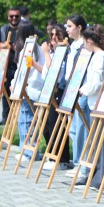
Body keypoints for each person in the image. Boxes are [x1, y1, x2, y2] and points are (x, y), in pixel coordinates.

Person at [77, 24, 104, 190]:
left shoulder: (100, 57)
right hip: (96, 102)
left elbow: (96, 82)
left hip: (98, 102)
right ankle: (97, 176)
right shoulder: (99, 56)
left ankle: (103, 178)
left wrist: (82, 90)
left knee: (101, 142)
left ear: (90, 41)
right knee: (98, 141)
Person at [40, 23, 73, 171]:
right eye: (51, 35)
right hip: (49, 92)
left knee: (56, 125)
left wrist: (46, 54)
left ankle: (62, 158)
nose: (53, 38)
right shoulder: (54, 53)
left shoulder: (65, 53)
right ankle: (53, 155)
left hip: (60, 91)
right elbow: (45, 73)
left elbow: (54, 72)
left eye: (56, 35)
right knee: (46, 126)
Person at [11, 22, 45, 162]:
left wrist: (16, 84)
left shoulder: (29, 49)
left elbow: (23, 71)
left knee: (25, 120)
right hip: (35, 89)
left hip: (28, 89)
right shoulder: (36, 48)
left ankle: (28, 152)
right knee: (30, 121)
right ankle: (30, 151)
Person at [64, 15, 92, 181]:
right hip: (71, 89)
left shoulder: (85, 45)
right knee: (74, 130)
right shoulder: (73, 45)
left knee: (82, 130)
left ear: (79, 27)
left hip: (81, 90)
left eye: (70, 26)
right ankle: (77, 163)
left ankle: (82, 165)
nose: (67, 29)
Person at [0, 7, 22, 125]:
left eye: (16, 16)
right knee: (5, 92)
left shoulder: (23, 29)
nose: (14, 18)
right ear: (8, 17)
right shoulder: (3, 30)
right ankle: (6, 117)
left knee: (17, 93)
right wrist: (3, 45)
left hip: (18, 66)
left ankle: (16, 118)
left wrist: (17, 47)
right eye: (12, 16)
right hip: (5, 66)